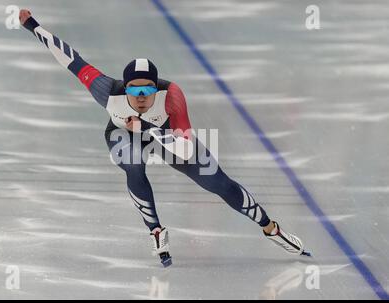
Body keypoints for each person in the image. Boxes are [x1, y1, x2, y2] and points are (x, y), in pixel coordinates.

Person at [19, 9, 310, 267]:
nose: (142, 96)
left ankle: (271, 227)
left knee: (218, 182)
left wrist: (147, 128)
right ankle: (156, 231)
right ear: (125, 88)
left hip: (168, 137)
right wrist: (33, 25)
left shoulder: (171, 96)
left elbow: (184, 149)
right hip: (123, 133)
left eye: (148, 90)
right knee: (132, 163)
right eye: (134, 91)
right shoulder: (106, 90)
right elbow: (69, 57)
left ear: (157, 90)